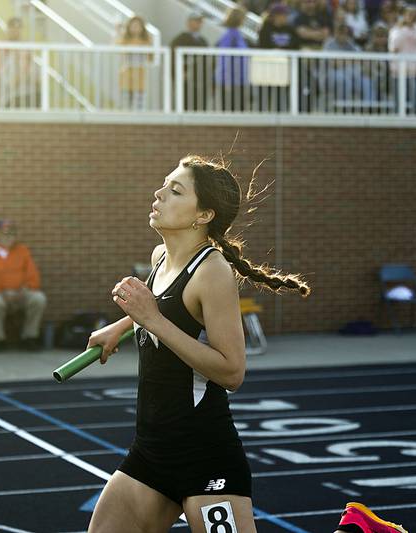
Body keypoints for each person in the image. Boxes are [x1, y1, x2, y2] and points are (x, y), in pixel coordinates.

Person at [85, 155, 311, 533]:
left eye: (175, 191)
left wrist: (150, 318)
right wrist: (123, 325)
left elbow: (232, 371)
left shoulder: (212, 273)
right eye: (164, 185)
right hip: (150, 453)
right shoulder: (162, 257)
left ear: (203, 215)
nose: (158, 193)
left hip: (205, 458)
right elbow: (172, 309)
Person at [0, 219, 47, 351]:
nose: (8, 237)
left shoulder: (22, 250)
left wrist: (25, 289)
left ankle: (29, 337)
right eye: (4, 233)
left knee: (38, 298)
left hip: (20, 293)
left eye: (11, 233)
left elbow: (33, 275)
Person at [0, 17, 39, 108]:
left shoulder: (26, 48)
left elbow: (33, 72)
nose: (16, 31)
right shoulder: (0, 46)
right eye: (13, 28)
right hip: (9, 89)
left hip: (27, 89)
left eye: (18, 28)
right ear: (8, 29)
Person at [170, 11, 209, 112]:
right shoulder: (180, 39)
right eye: (195, 21)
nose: (198, 24)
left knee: (200, 106)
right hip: (186, 80)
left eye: (200, 21)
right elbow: (173, 57)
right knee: (185, 104)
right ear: (188, 22)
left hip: (200, 80)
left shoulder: (203, 41)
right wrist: (180, 72)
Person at [215, 6, 250, 111]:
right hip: (231, 80)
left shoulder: (237, 34)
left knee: (239, 109)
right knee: (231, 109)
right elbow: (225, 58)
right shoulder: (230, 35)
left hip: (239, 79)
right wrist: (227, 80)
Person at [117, 15, 153, 111]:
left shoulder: (146, 41)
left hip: (140, 75)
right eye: (133, 25)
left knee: (139, 102)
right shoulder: (125, 40)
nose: (135, 28)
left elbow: (151, 57)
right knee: (125, 101)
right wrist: (118, 31)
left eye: (138, 25)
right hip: (126, 74)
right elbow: (117, 46)